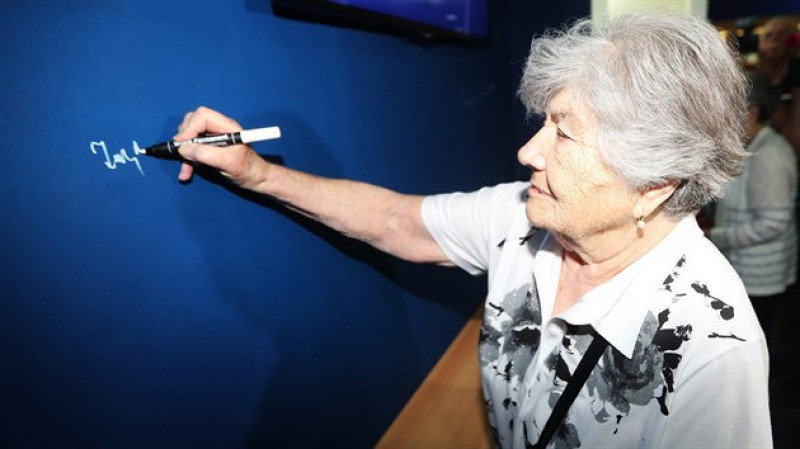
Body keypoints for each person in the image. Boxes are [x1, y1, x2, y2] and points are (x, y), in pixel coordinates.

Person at [170, 12, 772, 449]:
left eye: (565, 134)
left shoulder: (714, 350)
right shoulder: (523, 215)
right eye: (546, 122)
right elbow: (395, 222)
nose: (529, 152)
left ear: (655, 184)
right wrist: (257, 174)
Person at [708, 73, 797, 348]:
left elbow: (773, 222)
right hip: (749, 270)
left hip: (761, 278)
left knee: (756, 345)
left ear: (752, 113)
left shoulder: (769, 155)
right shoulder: (753, 147)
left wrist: (717, 237)